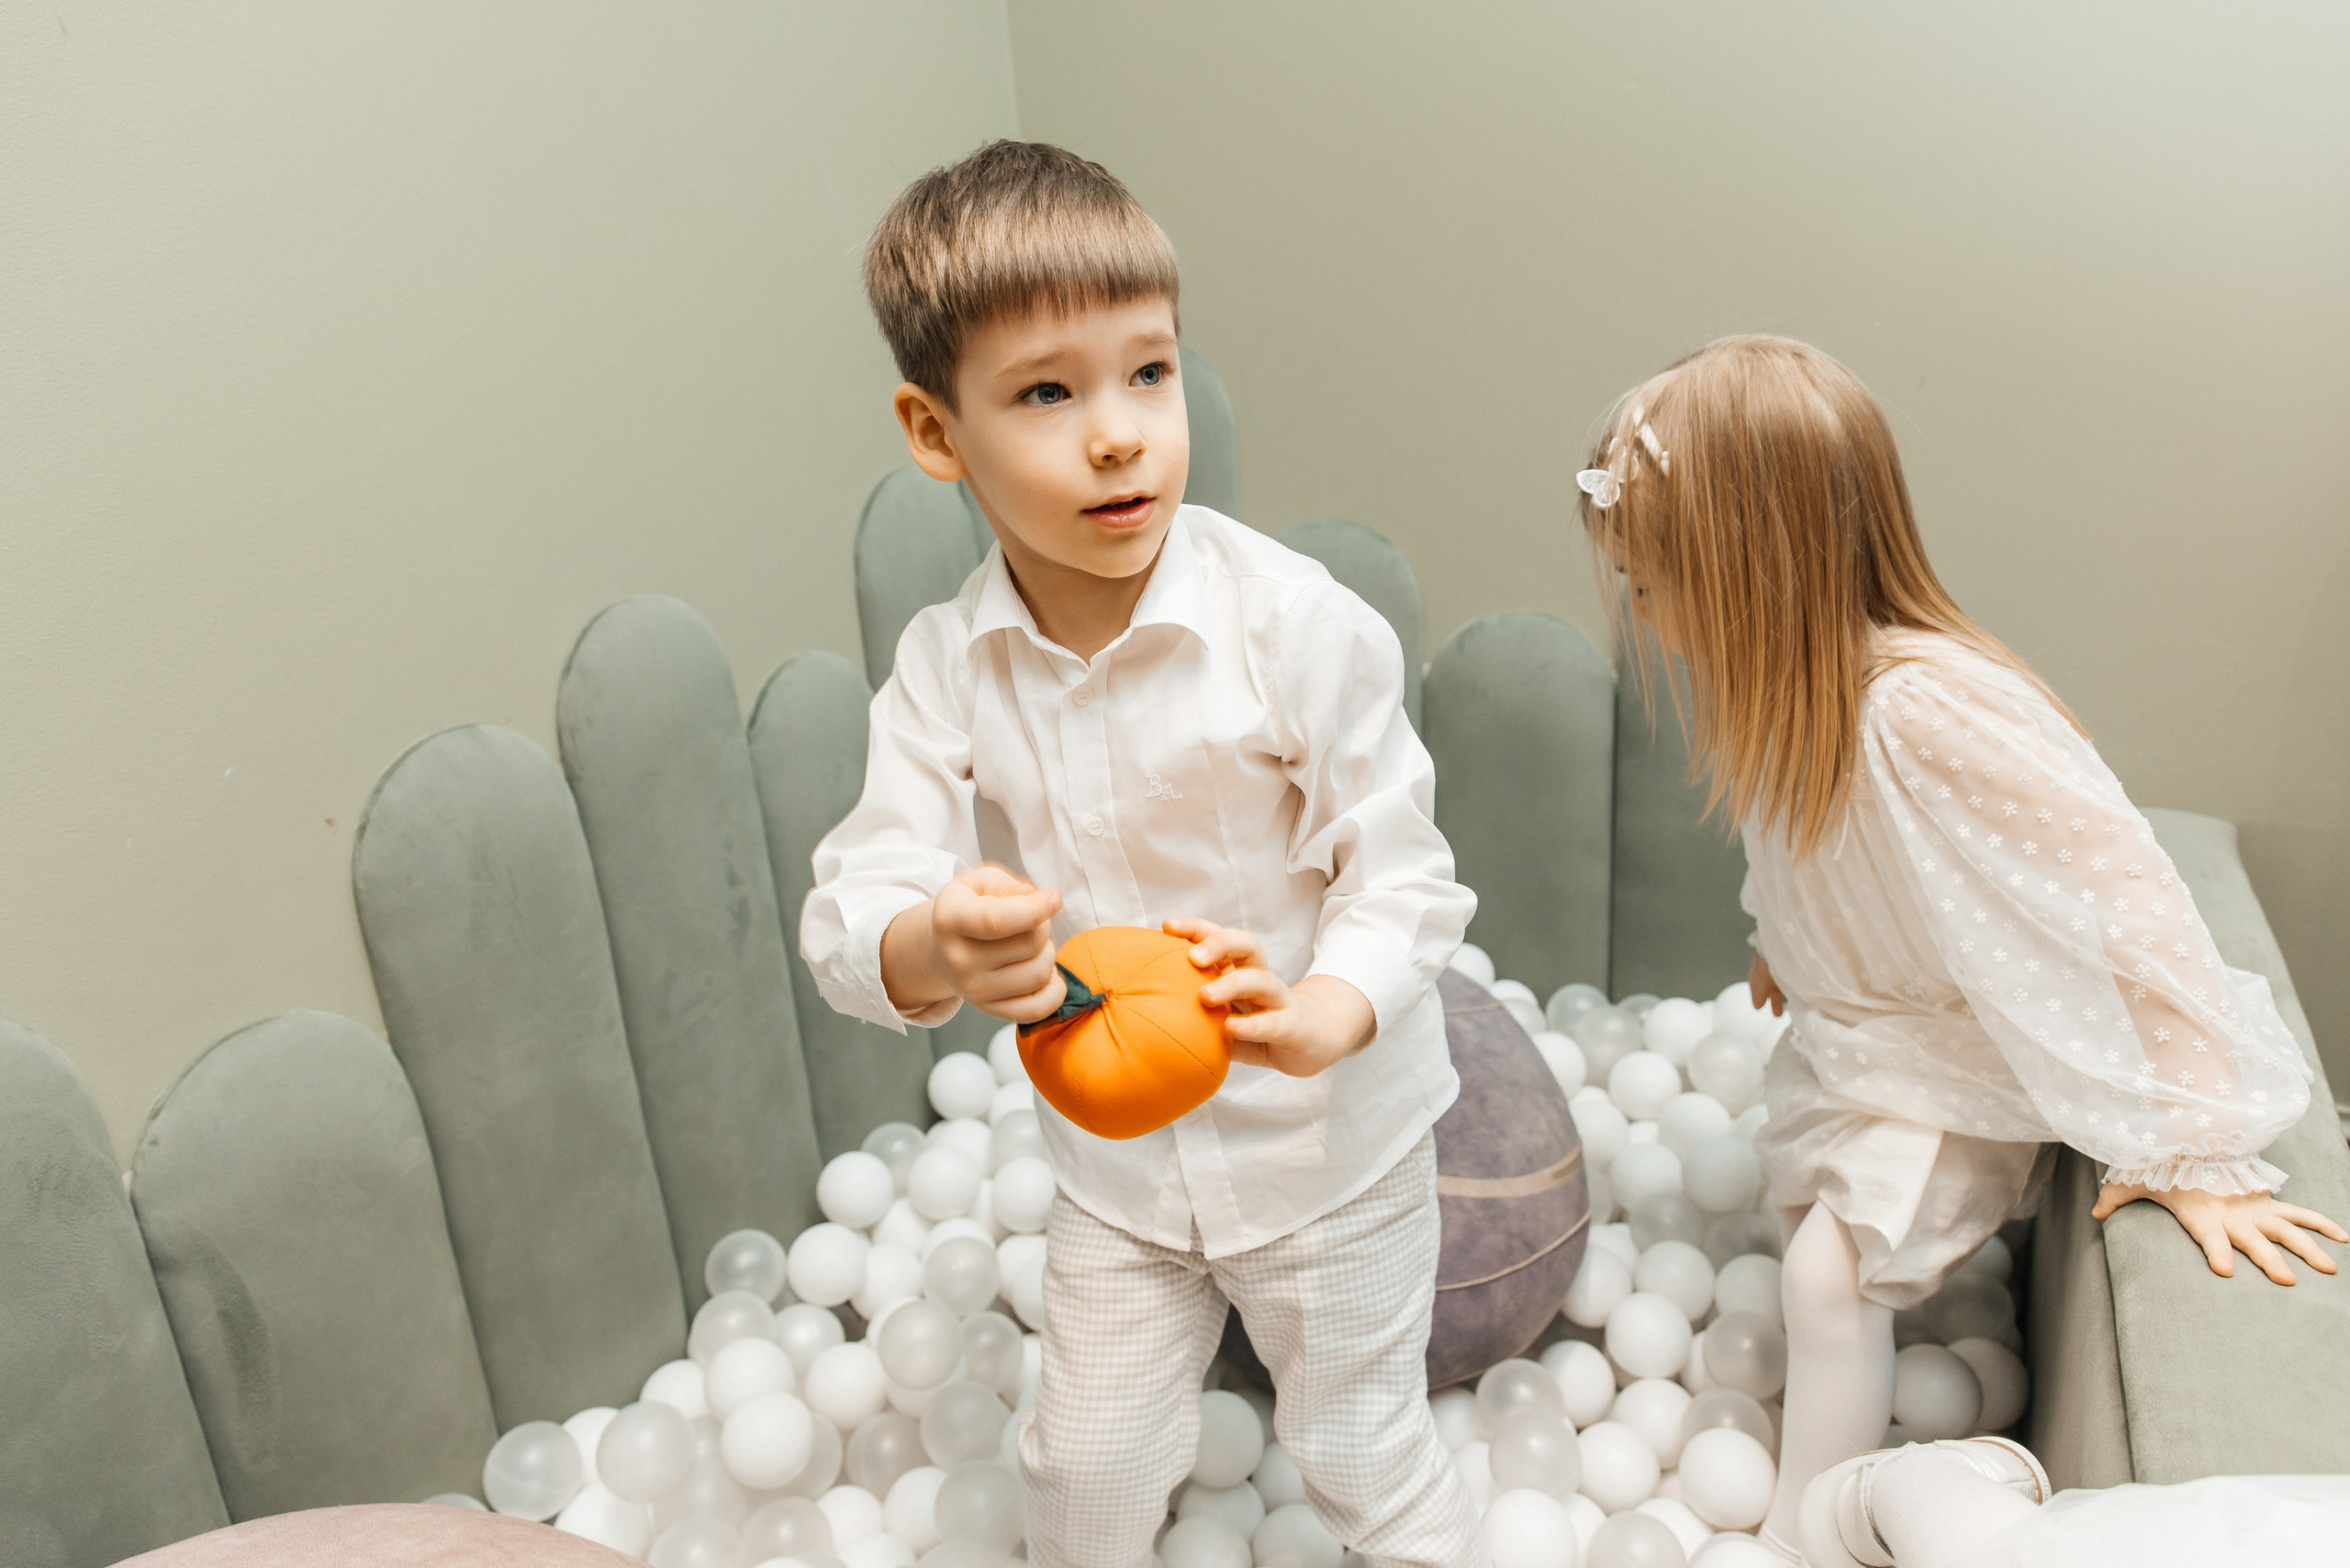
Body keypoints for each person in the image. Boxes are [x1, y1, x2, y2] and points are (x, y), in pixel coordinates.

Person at [800, 141, 1487, 1568]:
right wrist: (936, 939)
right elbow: (859, 898)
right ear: (937, 433)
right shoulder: (947, 669)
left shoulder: (1293, 627)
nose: (1118, 434)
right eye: (1048, 393)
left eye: (1149, 374)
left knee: (1362, 1456)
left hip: (1328, 1158)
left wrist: (1323, 1012)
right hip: (1120, 1180)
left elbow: (1405, 874)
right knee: (1084, 1471)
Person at [1572, 334, 2346, 1563]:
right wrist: (1789, 950)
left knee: (1829, 1277)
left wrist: (2192, 1149)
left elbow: (2125, 895)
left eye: (1656, 589)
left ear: (1752, 581)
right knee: (1807, 1239)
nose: (1649, 624)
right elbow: (1803, 856)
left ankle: (1802, 1528)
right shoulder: (1789, 697)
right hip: (1869, 1039)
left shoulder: (1922, 710)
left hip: (1964, 1055)